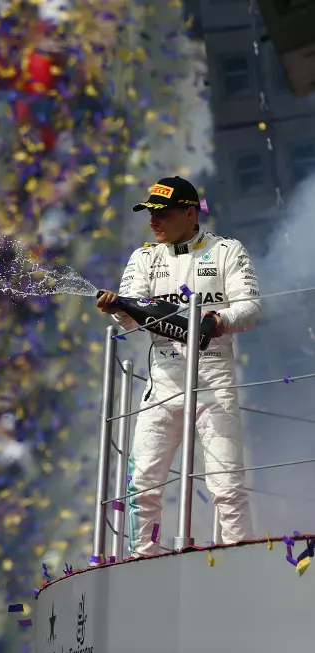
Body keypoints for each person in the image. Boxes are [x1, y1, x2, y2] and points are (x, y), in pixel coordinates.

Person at [96, 176, 261, 556]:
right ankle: (144, 556)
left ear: (190, 213)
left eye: (163, 214)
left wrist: (216, 322)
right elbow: (132, 318)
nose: (154, 222)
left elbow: (252, 307)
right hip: (164, 384)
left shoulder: (226, 251)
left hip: (214, 381)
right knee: (143, 482)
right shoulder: (144, 258)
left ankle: (238, 557)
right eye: (150, 214)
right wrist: (116, 308)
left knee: (227, 484)